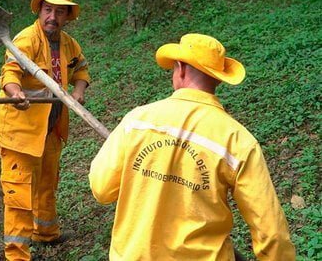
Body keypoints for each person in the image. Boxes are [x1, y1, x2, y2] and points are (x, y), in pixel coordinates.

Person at [89, 33, 296, 260]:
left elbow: (102, 189)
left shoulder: (136, 121)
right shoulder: (238, 141)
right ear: (218, 78)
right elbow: (271, 231)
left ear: (181, 68)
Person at [0, 0, 90, 261]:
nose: (53, 17)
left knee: (48, 182)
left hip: (51, 129)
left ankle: (46, 232)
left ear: (67, 17)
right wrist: (16, 92)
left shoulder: (70, 45)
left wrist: (78, 90)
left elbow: (81, 69)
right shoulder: (25, 41)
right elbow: (9, 72)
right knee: (19, 192)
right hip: (21, 132)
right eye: (48, 10)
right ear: (40, 10)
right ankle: (17, 254)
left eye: (60, 12)